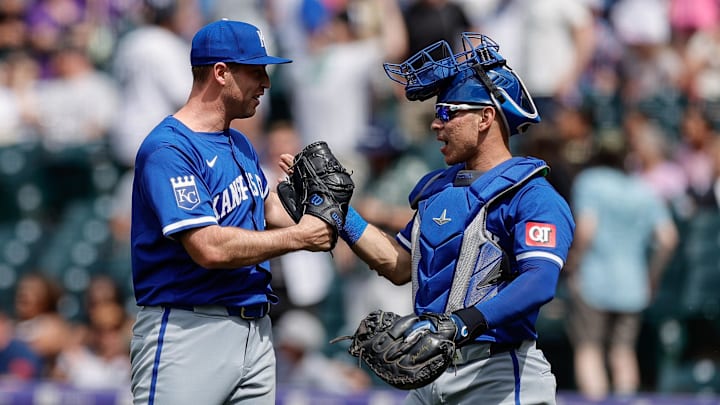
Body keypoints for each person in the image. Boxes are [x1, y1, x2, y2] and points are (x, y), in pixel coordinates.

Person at [284, 33, 575, 404]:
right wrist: (340, 215)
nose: (437, 125)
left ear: (486, 117)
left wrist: (460, 323)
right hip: (429, 373)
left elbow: (540, 282)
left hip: (498, 374)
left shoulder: (532, 195)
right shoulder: (439, 189)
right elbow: (399, 264)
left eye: (447, 112)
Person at [129, 19, 335, 404]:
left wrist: (320, 206)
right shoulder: (168, 149)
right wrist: (300, 237)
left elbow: (268, 209)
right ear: (221, 72)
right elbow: (209, 247)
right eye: (256, 70)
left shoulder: (238, 142)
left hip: (255, 329)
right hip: (189, 330)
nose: (266, 83)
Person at [567, 135, 679, 400]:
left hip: (593, 280)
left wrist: (574, 264)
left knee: (589, 348)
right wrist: (652, 276)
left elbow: (586, 229)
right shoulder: (644, 188)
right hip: (633, 284)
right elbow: (668, 238)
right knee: (623, 351)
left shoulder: (589, 182)